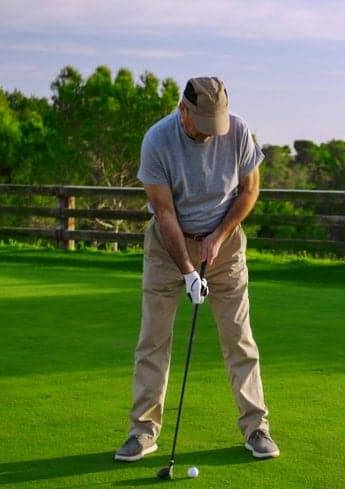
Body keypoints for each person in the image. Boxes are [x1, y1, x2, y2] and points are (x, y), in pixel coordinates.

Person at [115, 76, 279, 462]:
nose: (210, 135)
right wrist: (188, 270)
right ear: (182, 110)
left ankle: (256, 427)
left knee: (239, 338)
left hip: (225, 245)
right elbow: (165, 213)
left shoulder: (237, 131)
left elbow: (249, 190)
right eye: (202, 126)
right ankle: (143, 431)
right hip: (168, 246)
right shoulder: (157, 141)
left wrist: (219, 237)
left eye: (215, 125)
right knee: (152, 340)